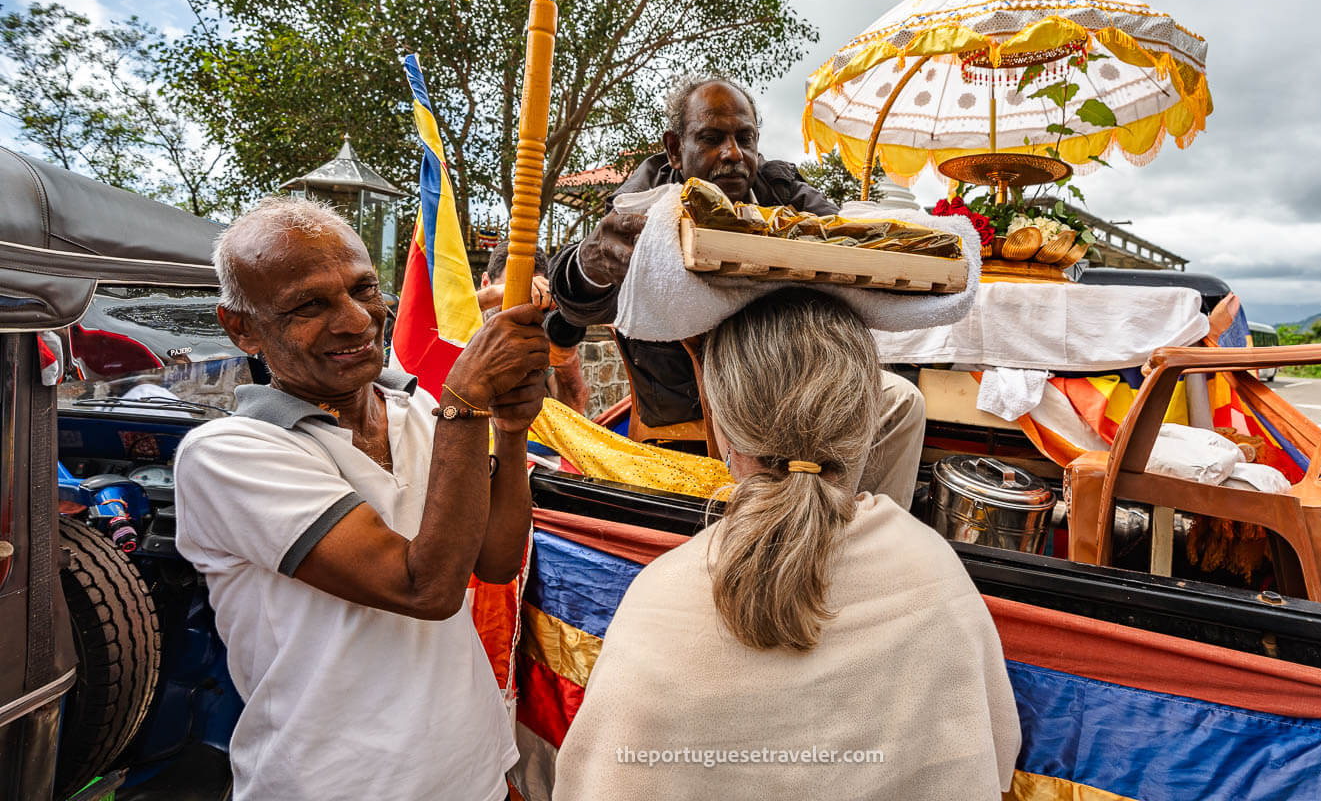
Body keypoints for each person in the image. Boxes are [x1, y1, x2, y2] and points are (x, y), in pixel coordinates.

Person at [552, 290, 1020, 799]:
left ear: (724, 432)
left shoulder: (661, 596)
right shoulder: (935, 572)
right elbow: (993, 759)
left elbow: (592, 783)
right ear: (867, 422)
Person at [175, 198, 549, 801]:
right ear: (241, 328)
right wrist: (464, 406)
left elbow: (497, 562)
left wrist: (508, 428)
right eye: (309, 305)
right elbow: (422, 588)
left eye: (363, 288)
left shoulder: (419, 411)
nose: (355, 320)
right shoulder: (226, 452)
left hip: (475, 769)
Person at [549, 73, 926, 507]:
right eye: (711, 138)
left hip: (797, 373)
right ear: (675, 148)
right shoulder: (644, 206)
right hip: (705, 398)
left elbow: (843, 237)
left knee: (903, 403)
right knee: (799, 423)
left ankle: (859, 542)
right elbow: (575, 301)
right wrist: (591, 263)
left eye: (745, 138)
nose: (732, 154)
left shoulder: (777, 190)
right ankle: (795, 539)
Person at [478, 239, 590, 414]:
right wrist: (499, 295)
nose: (521, 310)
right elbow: (434, 311)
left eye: (530, 296)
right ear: (486, 283)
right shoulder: (459, 328)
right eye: (513, 294)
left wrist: (566, 361)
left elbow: (574, 409)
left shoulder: (536, 335)